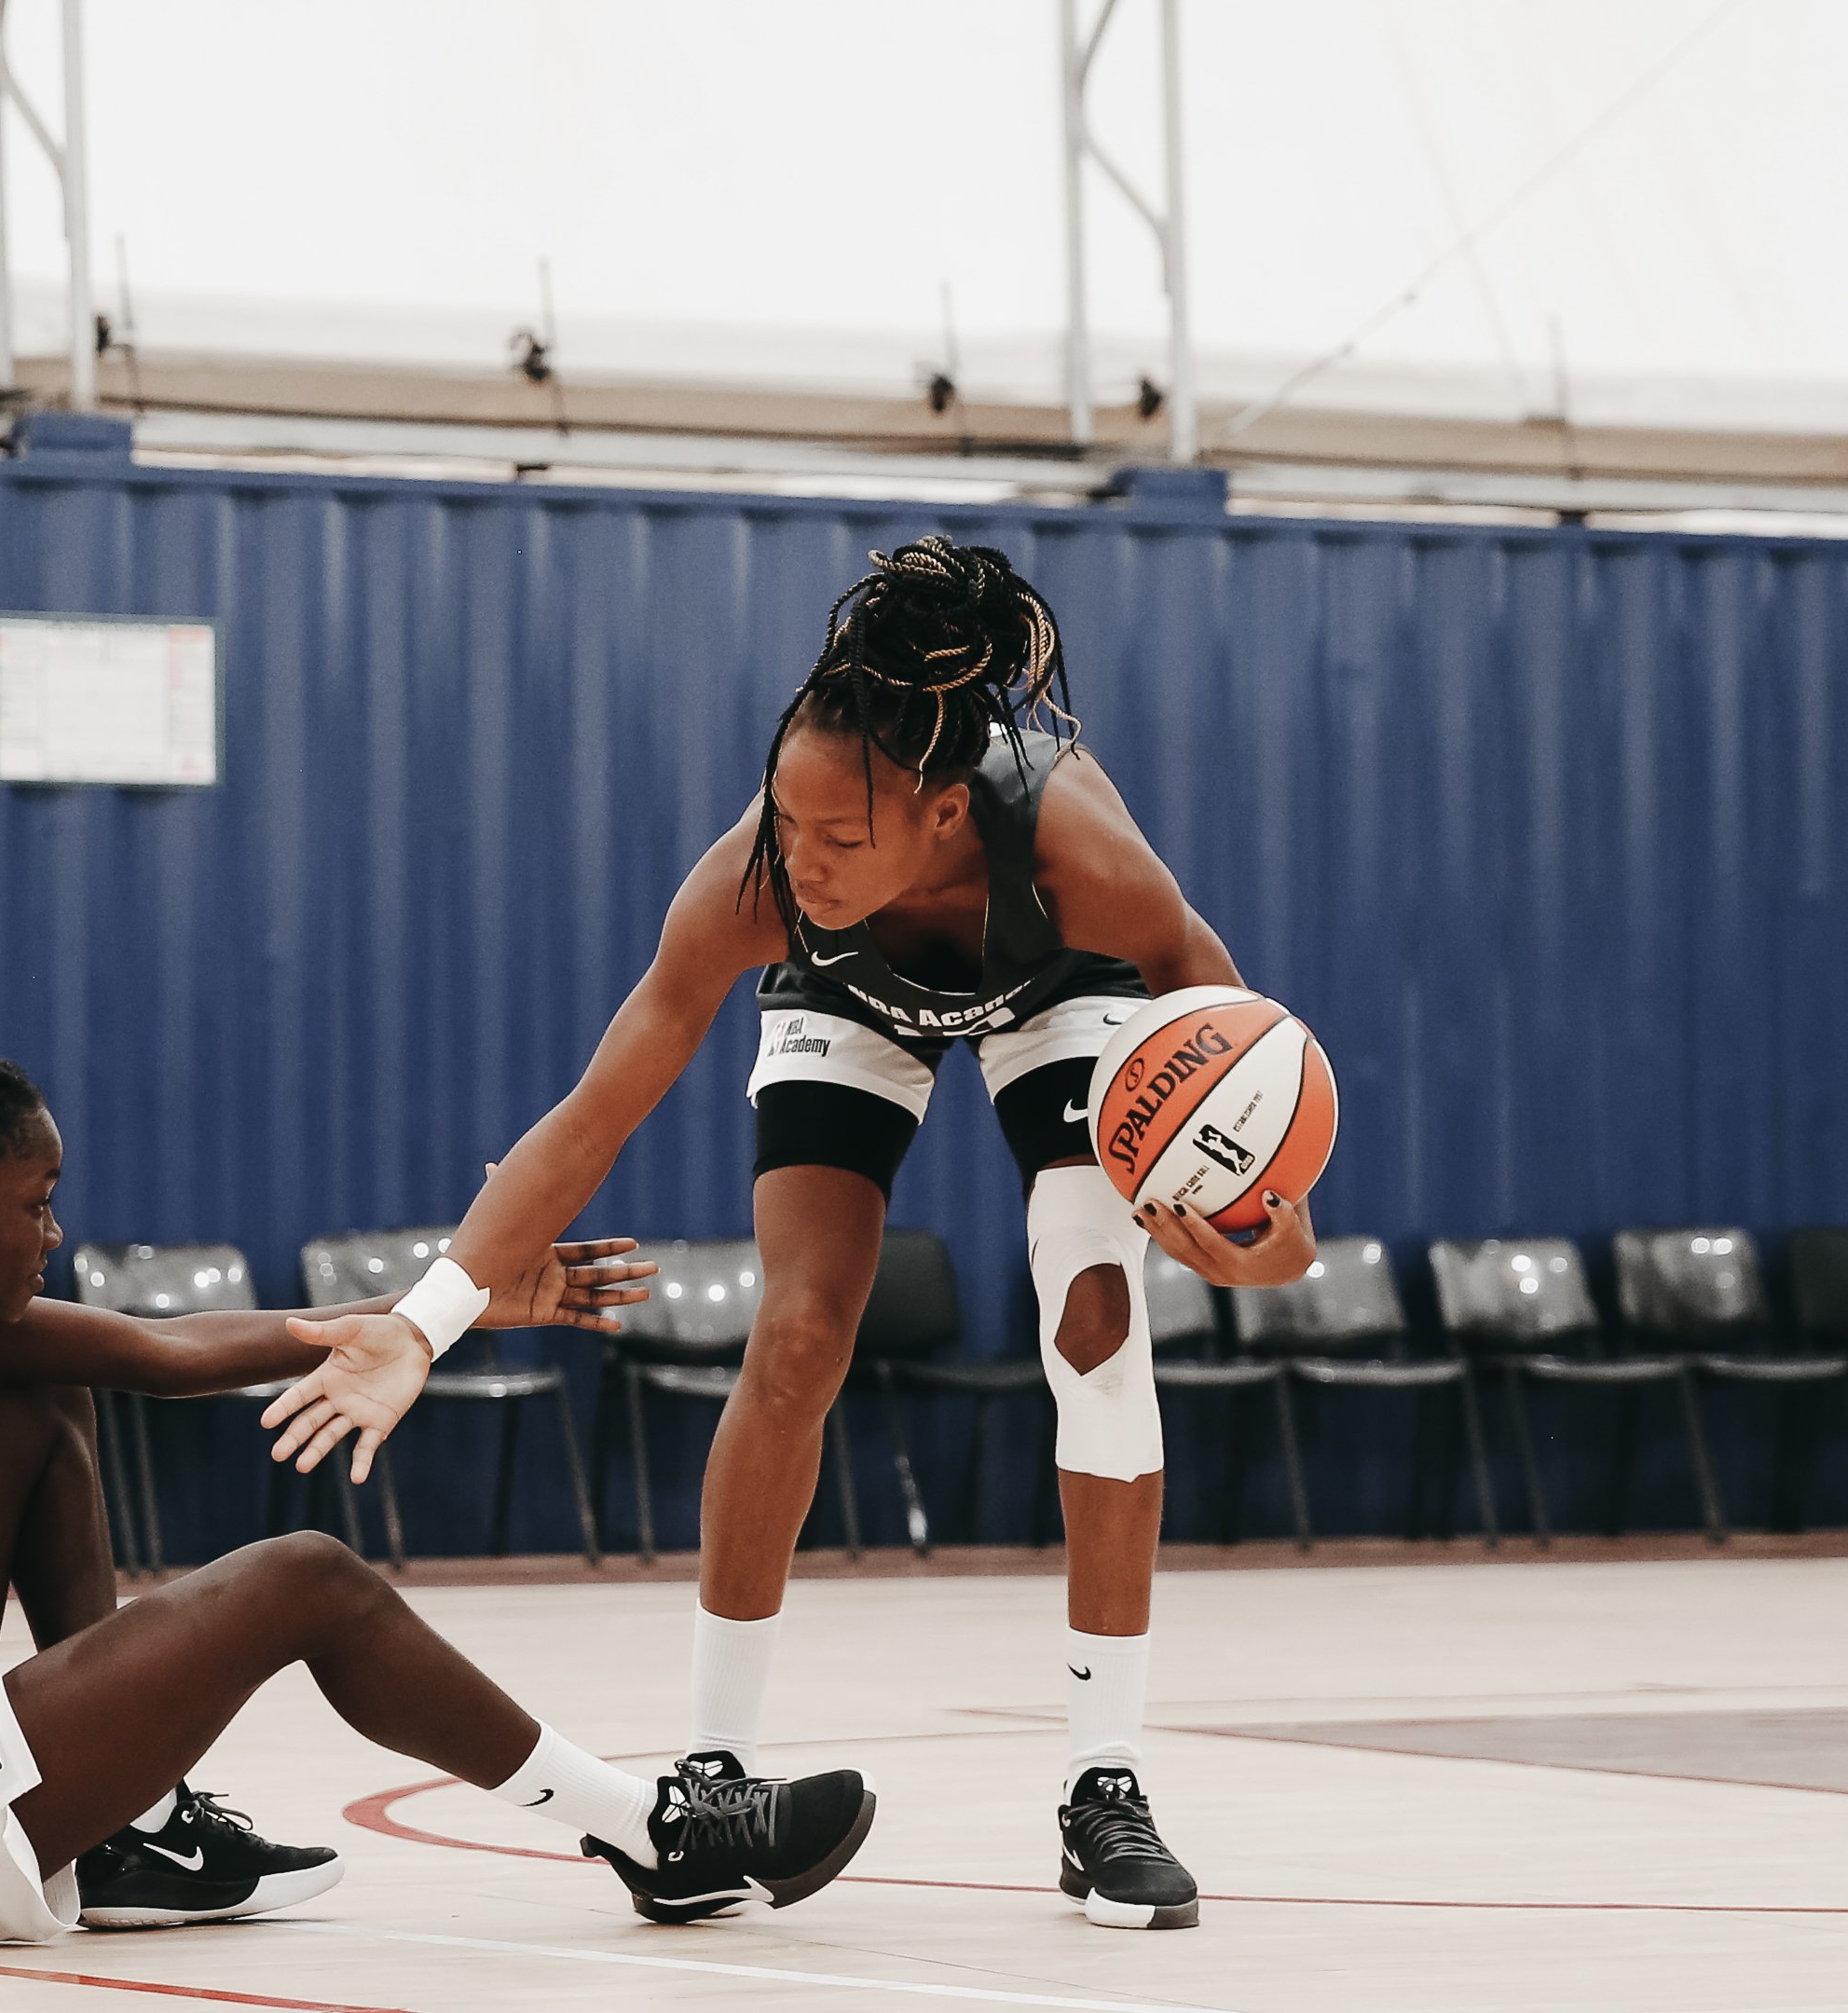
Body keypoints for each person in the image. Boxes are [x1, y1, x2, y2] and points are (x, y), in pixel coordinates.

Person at [263, 535, 1321, 1933]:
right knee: (802, 1332)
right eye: (785, 820)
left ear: (946, 813)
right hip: (857, 1005)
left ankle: (1102, 1785)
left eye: (840, 836)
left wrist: (1276, 1246)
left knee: (1095, 1322)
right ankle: (710, 1779)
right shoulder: (761, 888)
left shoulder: (1085, 860)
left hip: (1066, 995)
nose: (799, 858)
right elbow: (593, 1114)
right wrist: (419, 1321)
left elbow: (1249, 1087)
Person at [0, 1039, 878, 1973]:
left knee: (36, 1397)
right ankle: (652, 1834)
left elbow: (158, 1351)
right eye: (37, 1201)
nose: (57, 1233)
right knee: (306, 1580)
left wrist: (443, 1316)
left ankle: (130, 1832)